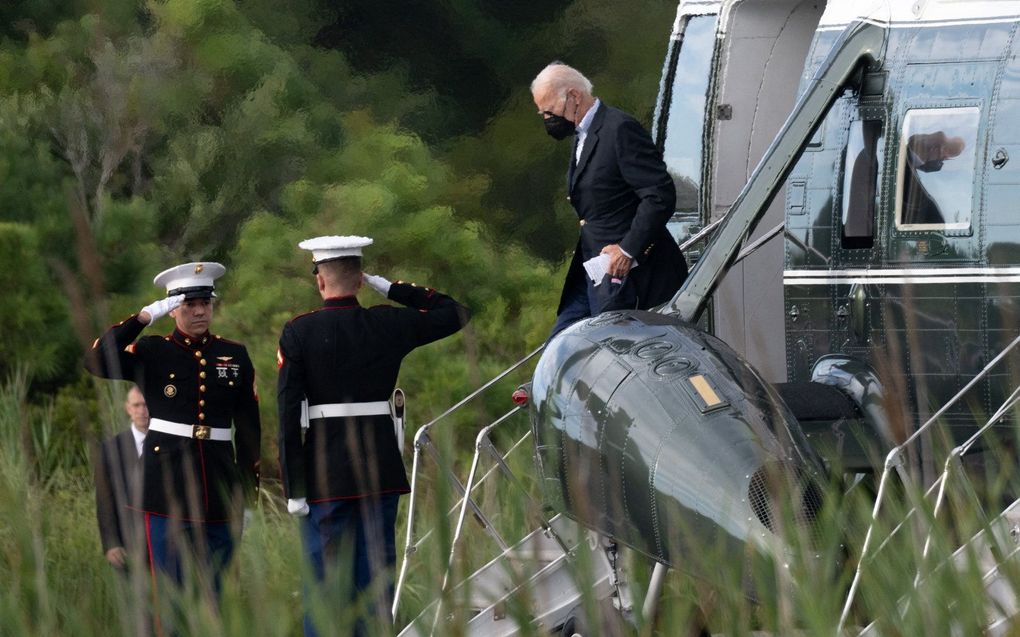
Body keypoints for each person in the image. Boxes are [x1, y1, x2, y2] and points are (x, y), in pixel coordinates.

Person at [277, 235, 470, 636]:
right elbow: (454, 312)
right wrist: (392, 286)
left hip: (325, 473)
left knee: (326, 585)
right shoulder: (389, 322)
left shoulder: (300, 331)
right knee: (375, 584)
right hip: (379, 468)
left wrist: (294, 486)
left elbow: (287, 413)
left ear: (320, 281)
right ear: (361, 280)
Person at [84, 262, 261, 620]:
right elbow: (96, 360)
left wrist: (246, 495)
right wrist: (144, 317)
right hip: (166, 489)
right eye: (189, 304)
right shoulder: (151, 351)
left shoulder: (235, 355)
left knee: (216, 595)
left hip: (219, 485)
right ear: (173, 308)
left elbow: (249, 429)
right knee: (170, 595)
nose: (199, 311)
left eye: (206, 303)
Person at [531, 62, 688, 337]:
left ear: (574, 97)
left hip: (628, 276)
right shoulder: (583, 136)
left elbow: (659, 194)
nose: (547, 119)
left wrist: (628, 250)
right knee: (560, 346)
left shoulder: (618, 129)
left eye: (549, 112)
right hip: (593, 271)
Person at [95, 384, 149, 571]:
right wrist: (111, 543)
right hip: (126, 543)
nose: (142, 411)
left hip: (163, 542)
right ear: (128, 409)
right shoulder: (110, 449)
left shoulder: (168, 445)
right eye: (136, 405)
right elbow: (104, 499)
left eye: (146, 405)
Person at [901, 130, 966, 225]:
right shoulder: (907, 171)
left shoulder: (917, 171)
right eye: (946, 152)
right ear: (936, 147)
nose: (943, 159)